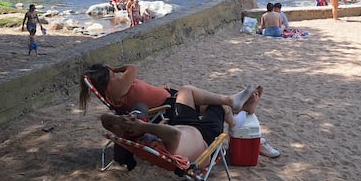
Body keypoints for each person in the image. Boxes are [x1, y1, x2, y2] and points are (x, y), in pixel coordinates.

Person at [99, 85, 265, 168]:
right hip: (205, 141)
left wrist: (122, 120)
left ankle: (231, 100)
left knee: (186, 90)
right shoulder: (158, 139)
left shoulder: (128, 134)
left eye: (132, 117)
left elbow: (104, 119)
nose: (132, 119)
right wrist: (143, 126)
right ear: (136, 128)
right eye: (133, 120)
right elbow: (174, 135)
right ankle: (236, 120)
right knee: (219, 108)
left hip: (183, 125)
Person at [79, 64, 257, 115]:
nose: (116, 74)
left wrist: (159, 89)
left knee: (213, 103)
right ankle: (234, 105)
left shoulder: (116, 89)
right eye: (111, 72)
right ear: (106, 75)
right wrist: (117, 69)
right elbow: (132, 68)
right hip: (166, 108)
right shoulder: (116, 89)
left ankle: (241, 108)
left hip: (167, 99)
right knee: (215, 105)